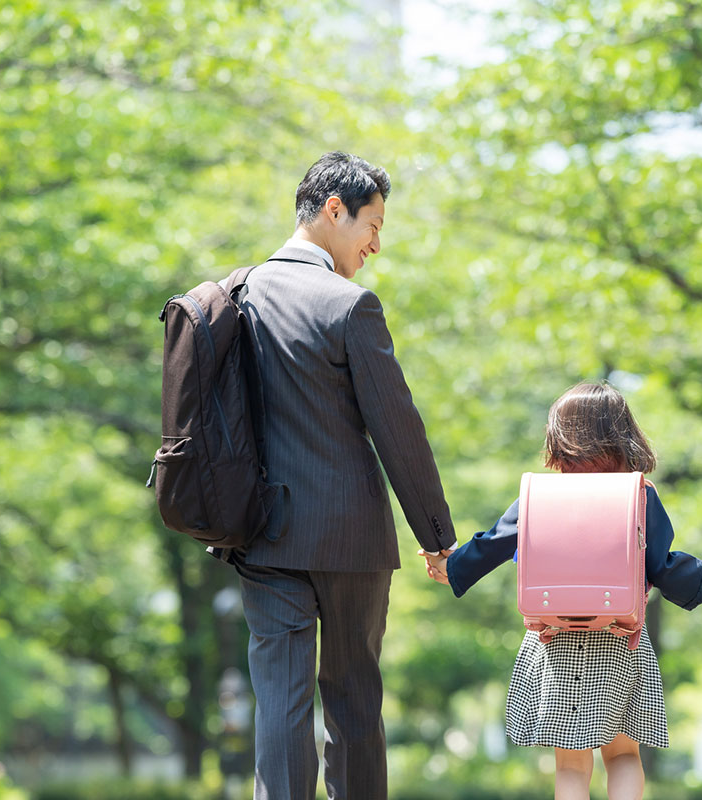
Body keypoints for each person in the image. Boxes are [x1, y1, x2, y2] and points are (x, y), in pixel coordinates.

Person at [229, 152, 457, 799]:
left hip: (263, 534)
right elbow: (398, 430)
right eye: (373, 225)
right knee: (354, 699)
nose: (377, 245)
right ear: (335, 210)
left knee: (280, 701)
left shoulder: (236, 296)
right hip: (350, 539)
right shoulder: (349, 305)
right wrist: (437, 534)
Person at [423, 382, 702, 800]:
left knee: (570, 764)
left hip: (554, 640)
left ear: (558, 437)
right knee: (622, 756)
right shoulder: (638, 494)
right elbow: (662, 564)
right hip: (620, 639)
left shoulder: (541, 494)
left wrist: (451, 567)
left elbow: (494, 542)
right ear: (625, 433)